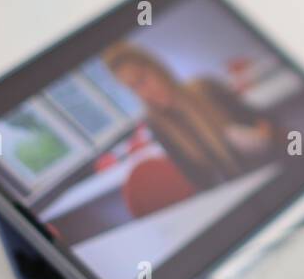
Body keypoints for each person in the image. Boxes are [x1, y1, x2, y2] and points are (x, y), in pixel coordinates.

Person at [103, 42, 274, 191]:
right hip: (238, 192)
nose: (144, 93)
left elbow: (265, 123)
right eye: (133, 88)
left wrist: (261, 135)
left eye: (142, 80)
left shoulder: (206, 89)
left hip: (269, 171)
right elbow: (198, 181)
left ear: (157, 69)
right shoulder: (158, 126)